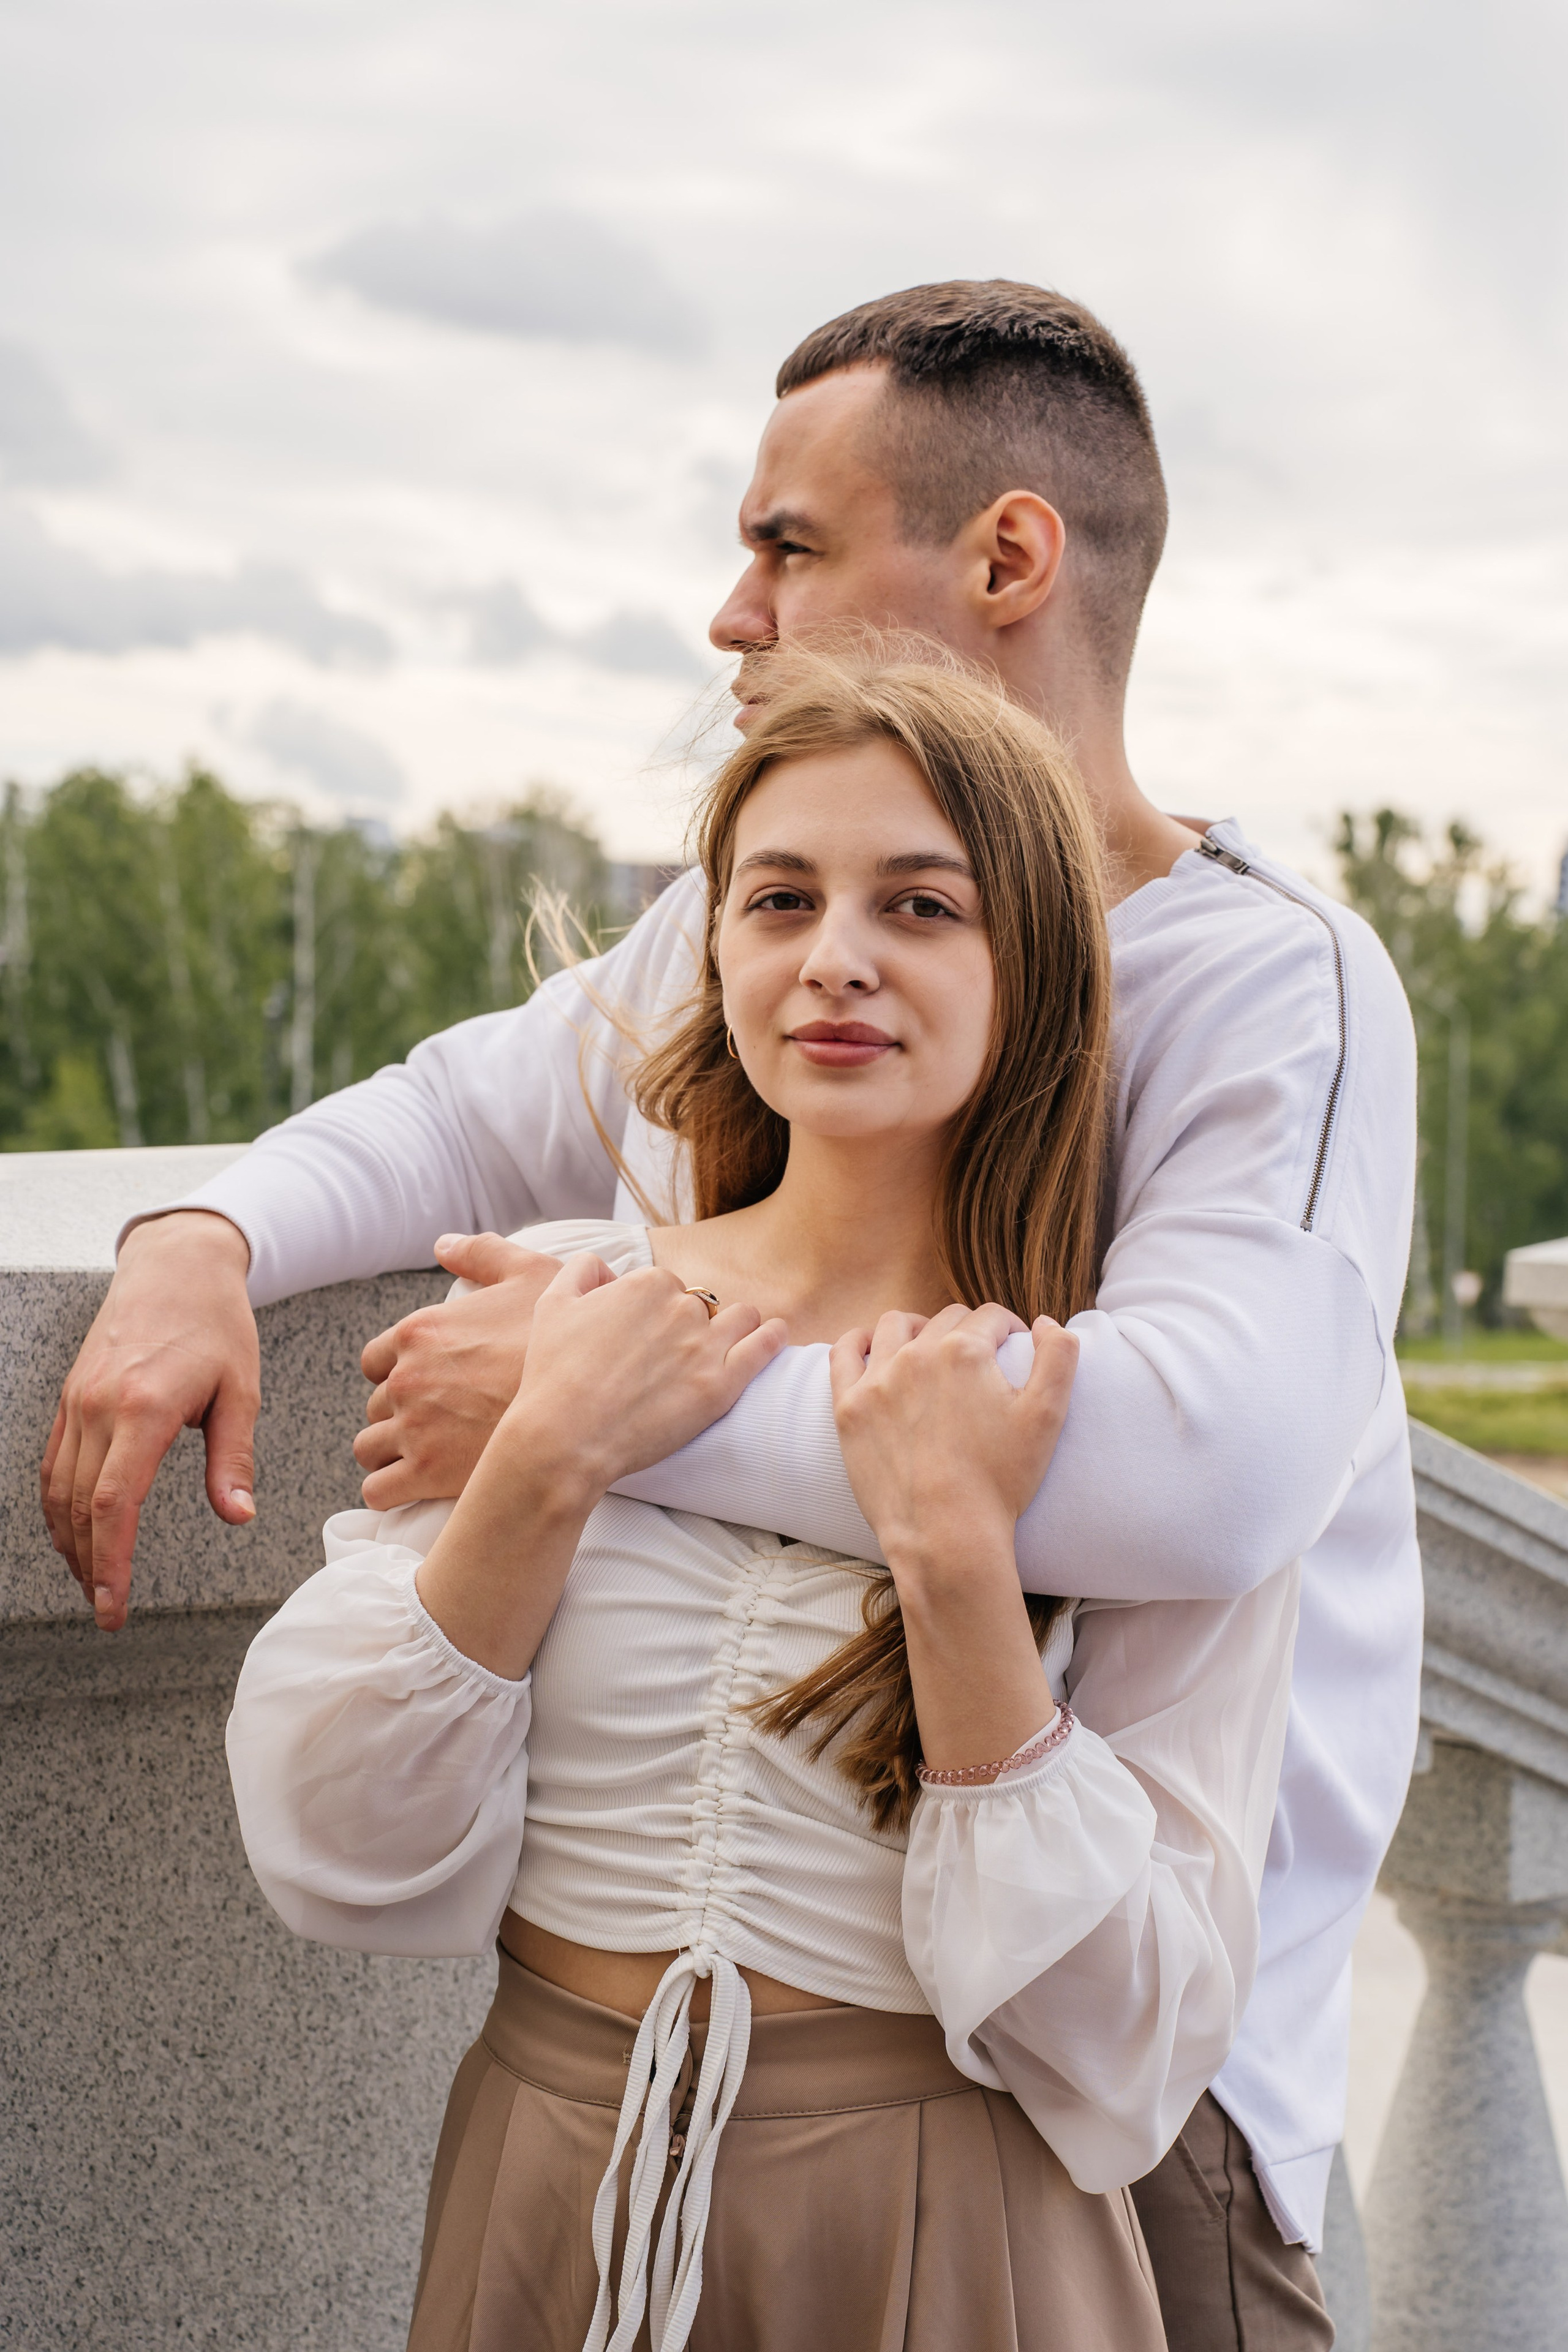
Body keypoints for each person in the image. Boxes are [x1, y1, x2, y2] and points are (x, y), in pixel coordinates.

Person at [43, 280, 1421, 2349]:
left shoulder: (1269, 984)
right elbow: (462, 1107)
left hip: (1134, 2100)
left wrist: (604, 1396)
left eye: (787, 542)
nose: (731, 610)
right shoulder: (745, 934)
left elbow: (1201, 1474)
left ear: (1007, 558)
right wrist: (204, 1239)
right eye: (786, 901)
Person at [226, 649, 1297, 2352]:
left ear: (1035, 964)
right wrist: (556, 1454)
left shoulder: (1117, 1427)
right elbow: (336, 1845)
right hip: (550, 2193)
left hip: (951, 2242)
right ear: (714, 945)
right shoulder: (557, 1315)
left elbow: (1132, 2052)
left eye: (922, 907)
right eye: (779, 898)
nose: (836, 960)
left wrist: (955, 1563)